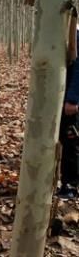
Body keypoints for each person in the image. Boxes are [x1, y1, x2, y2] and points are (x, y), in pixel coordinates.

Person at [58, 28, 79, 198]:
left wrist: (73, 99)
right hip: (60, 98)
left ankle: (70, 185)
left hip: (70, 102)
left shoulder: (75, 35)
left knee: (71, 141)